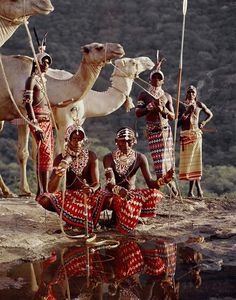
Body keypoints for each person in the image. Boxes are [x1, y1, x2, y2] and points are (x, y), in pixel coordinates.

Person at [103, 127, 173, 234]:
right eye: (122, 141)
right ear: (116, 142)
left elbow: (150, 183)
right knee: (117, 200)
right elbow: (110, 183)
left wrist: (164, 180)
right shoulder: (108, 158)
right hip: (114, 193)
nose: (126, 145)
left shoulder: (140, 158)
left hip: (131, 194)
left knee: (155, 194)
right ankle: (121, 218)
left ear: (134, 141)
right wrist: (119, 190)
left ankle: (132, 215)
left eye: (129, 141)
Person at [37, 124, 106, 232]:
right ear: (68, 139)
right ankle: (71, 221)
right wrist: (61, 170)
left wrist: (91, 189)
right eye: (74, 139)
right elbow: (51, 189)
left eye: (80, 139)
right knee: (44, 200)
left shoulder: (91, 156)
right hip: (69, 196)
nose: (78, 142)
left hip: (87, 194)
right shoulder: (60, 158)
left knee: (108, 198)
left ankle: (81, 221)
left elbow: (97, 183)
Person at [135, 68, 177, 196]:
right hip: (153, 132)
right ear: (149, 80)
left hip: (165, 131)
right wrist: (152, 105)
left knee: (168, 160)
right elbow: (138, 112)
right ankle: (160, 190)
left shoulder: (167, 96)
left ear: (163, 81)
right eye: (154, 77)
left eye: (159, 78)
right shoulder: (144, 95)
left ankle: (171, 186)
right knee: (158, 162)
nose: (156, 80)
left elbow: (173, 116)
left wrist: (163, 109)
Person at [23, 52, 54, 195]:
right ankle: (44, 191)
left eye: (48, 63)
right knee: (44, 152)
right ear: (37, 63)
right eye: (43, 62)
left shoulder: (43, 80)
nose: (46, 65)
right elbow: (27, 103)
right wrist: (35, 124)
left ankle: (41, 191)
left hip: (47, 121)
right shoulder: (31, 80)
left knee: (46, 154)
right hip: (38, 120)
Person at [178, 85, 213, 198]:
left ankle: (192, 191)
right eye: (189, 92)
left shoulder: (199, 105)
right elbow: (177, 124)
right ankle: (197, 190)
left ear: (196, 94)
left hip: (196, 136)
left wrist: (204, 122)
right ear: (186, 93)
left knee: (195, 162)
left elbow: (210, 114)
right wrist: (186, 113)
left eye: (193, 92)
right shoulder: (181, 105)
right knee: (190, 163)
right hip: (186, 136)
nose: (191, 94)